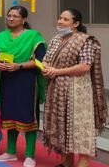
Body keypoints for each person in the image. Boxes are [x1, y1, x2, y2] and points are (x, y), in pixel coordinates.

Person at [42, 9, 107, 167]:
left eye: (65, 19)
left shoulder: (85, 40)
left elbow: (85, 66)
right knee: (62, 125)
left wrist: (57, 71)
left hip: (78, 91)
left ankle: (83, 162)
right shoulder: (56, 39)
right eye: (60, 18)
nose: (60, 21)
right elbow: (46, 59)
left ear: (76, 23)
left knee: (80, 126)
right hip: (57, 88)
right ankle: (67, 162)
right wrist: (45, 68)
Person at [0, 5, 46, 167]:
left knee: (28, 116)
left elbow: (41, 61)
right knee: (10, 114)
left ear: (23, 19)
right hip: (7, 80)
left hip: (26, 81)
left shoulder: (33, 36)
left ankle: (30, 155)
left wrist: (19, 66)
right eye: (9, 16)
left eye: (15, 16)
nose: (11, 18)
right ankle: (10, 151)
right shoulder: (0, 37)